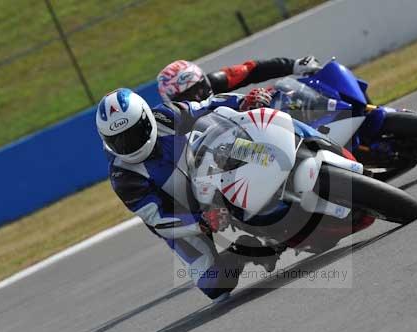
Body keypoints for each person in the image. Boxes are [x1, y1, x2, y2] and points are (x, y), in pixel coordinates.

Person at [95, 88, 281, 302]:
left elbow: (207, 105)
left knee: (237, 142)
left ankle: (283, 158)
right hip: (185, 217)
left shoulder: (165, 115)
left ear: (146, 118)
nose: (129, 144)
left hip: (209, 168)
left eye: (134, 133)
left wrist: (243, 101)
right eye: (119, 140)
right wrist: (201, 223)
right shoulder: (122, 175)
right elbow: (159, 220)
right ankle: (242, 251)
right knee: (215, 286)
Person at [156, 56, 321, 102]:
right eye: (187, 96)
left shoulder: (217, 81)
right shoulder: (174, 123)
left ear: (204, 80)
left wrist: (294, 65)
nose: (198, 97)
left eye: (198, 88)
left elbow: (252, 69)